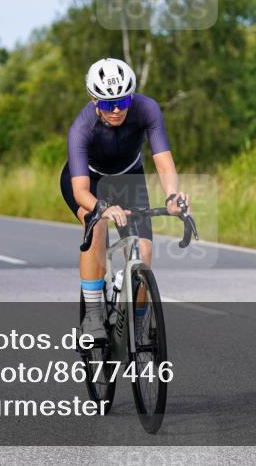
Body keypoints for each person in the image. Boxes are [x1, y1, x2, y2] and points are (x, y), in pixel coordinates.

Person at [60, 58, 189, 342]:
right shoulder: (81, 128)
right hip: (88, 182)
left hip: (128, 178)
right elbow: (81, 192)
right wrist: (102, 207)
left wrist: (171, 195)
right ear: (94, 101)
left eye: (122, 101)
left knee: (144, 249)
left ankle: (139, 324)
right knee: (97, 227)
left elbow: (164, 163)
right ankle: (93, 315)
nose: (116, 109)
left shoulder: (147, 109)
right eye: (107, 104)